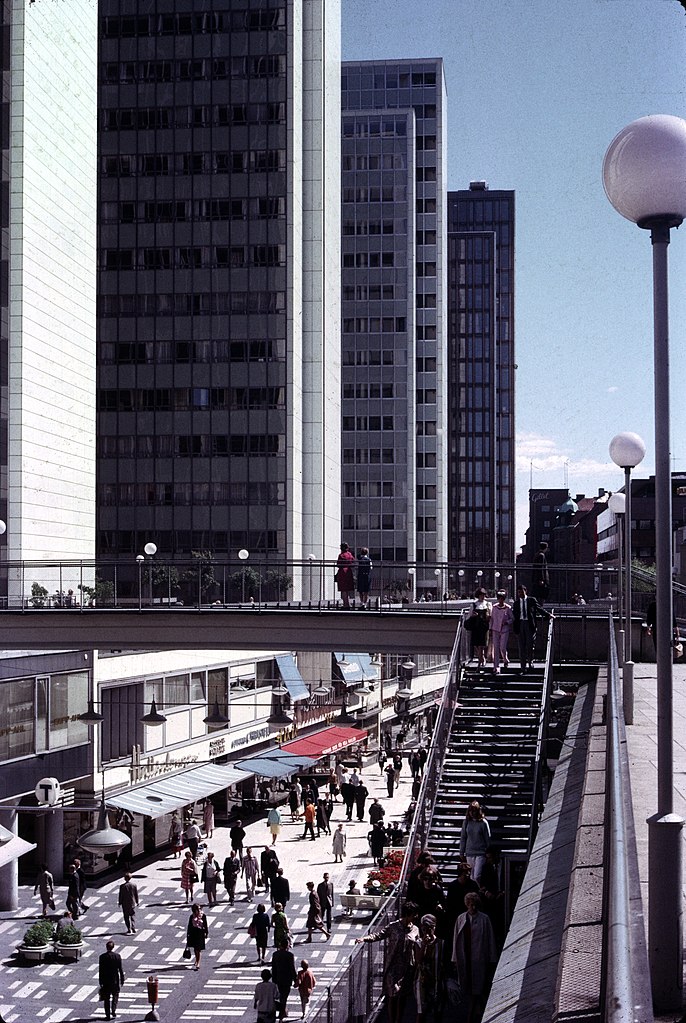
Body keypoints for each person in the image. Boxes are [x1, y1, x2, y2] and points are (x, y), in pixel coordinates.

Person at [354, 902, 420, 1023]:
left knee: (403, 996)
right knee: (392, 995)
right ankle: (392, 1020)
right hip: (393, 966)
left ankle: (398, 1020)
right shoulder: (394, 927)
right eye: (413, 914)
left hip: (407, 968)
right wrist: (364, 939)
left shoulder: (415, 929)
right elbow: (379, 935)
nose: (415, 917)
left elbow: (418, 946)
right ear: (407, 914)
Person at [452, 893, 497, 1021]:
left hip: (479, 956)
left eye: (474, 904)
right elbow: (456, 938)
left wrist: (492, 958)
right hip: (465, 956)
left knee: (478, 986)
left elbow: (490, 939)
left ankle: (472, 1015)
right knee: (469, 986)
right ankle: (477, 1011)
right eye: (470, 904)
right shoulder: (461, 918)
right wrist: (455, 958)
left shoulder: (484, 919)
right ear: (466, 905)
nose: (472, 907)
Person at [512, 584, 552, 671]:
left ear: (525, 591)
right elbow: (514, 616)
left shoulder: (531, 600)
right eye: (519, 592)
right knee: (521, 646)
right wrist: (515, 629)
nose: (520, 593)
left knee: (530, 645)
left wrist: (548, 615)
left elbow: (539, 609)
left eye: (522, 591)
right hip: (520, 625)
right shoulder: (516, 603)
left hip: (529, 624)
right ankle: (523, 666)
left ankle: (530, 662)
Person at [414, 913, 444, 1023]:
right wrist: (424, 946)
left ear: (434, 927)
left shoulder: (441, 943)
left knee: (437, 1012)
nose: (426, 930)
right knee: (421, 1012)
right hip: (422, 982)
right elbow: (419, 961)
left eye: (430, 927)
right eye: (424, 928)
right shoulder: (418, 943)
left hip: (437, 981)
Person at [459, 801, 491, 884]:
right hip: (469, 852)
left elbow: (487, 838)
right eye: (470, 811)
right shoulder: (466, 822)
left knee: (477, 875)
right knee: (471, 876)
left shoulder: (483, 823)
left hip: (481, 852)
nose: (472, 813)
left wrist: (488, 852)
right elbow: (463, 837)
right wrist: (461, 852)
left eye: (474, 811)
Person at [271, 938, 298, 1019]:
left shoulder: (275, 954)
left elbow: (274, 967)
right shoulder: (290, 955)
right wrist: (295, 979)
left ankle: (283, 1011)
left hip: (278, 978)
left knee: (282, 996)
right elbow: (292, 968)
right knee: (284, 997)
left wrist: (274, 978)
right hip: (287, 979)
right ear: (287, 945)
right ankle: (282, 1013)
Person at [99, 939, 125, 1021]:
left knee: (106, 998)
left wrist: (100, 981)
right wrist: (122, 979)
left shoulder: (102, 957)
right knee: (115, 996)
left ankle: (107, 1014)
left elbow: (101, 970)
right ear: (113, 947)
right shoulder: (117, 956)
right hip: (115, 980)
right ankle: (113, 1010)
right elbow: (120, 969)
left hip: (106, 980)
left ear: (106, 947)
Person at [490, 590, 514, 674]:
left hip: (504, 629)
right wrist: (490, 628)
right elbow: (491, 618)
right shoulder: (494, 607)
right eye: (499, 598)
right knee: (496, 648)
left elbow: (512, 619)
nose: (501, 600)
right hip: (495, 629)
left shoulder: (508, 608)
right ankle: (496, 667)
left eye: (502, 598)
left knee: (502, 647)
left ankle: (505, 658)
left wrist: (507, 622)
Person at [467, 588, 492, 668]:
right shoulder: (474, 605)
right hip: (476, 626)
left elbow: (491, 616)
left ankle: (481, 659)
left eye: (484, 595)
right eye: (481, 595)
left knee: (483, 643)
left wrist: (489, 618)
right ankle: (481, 658)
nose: (482, 597)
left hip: (484, 626)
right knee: (476, 644)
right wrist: (473, 616)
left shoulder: (488, 604)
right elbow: (469, 616)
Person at [186, 902, 208, 971]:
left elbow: (205, 925)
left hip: (200, 933)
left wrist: (206, 933)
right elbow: (189, 926)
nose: (199, 910)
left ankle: (198, 962)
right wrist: (188, 935)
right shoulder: (192, 917)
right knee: (195, 949)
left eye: (199, 909)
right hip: (194, 933)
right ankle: (196, 959)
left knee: (199, 949)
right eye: (197, 909)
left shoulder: (203, 916)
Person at [335, 542, 355, 609]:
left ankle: (345, 604)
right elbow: (353, 561)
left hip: (342, 572)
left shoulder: (341, 555)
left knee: (343, 590)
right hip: (349, 572)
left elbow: (338, 564)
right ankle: (348, 604)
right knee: (348, 589)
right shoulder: (350, 554)